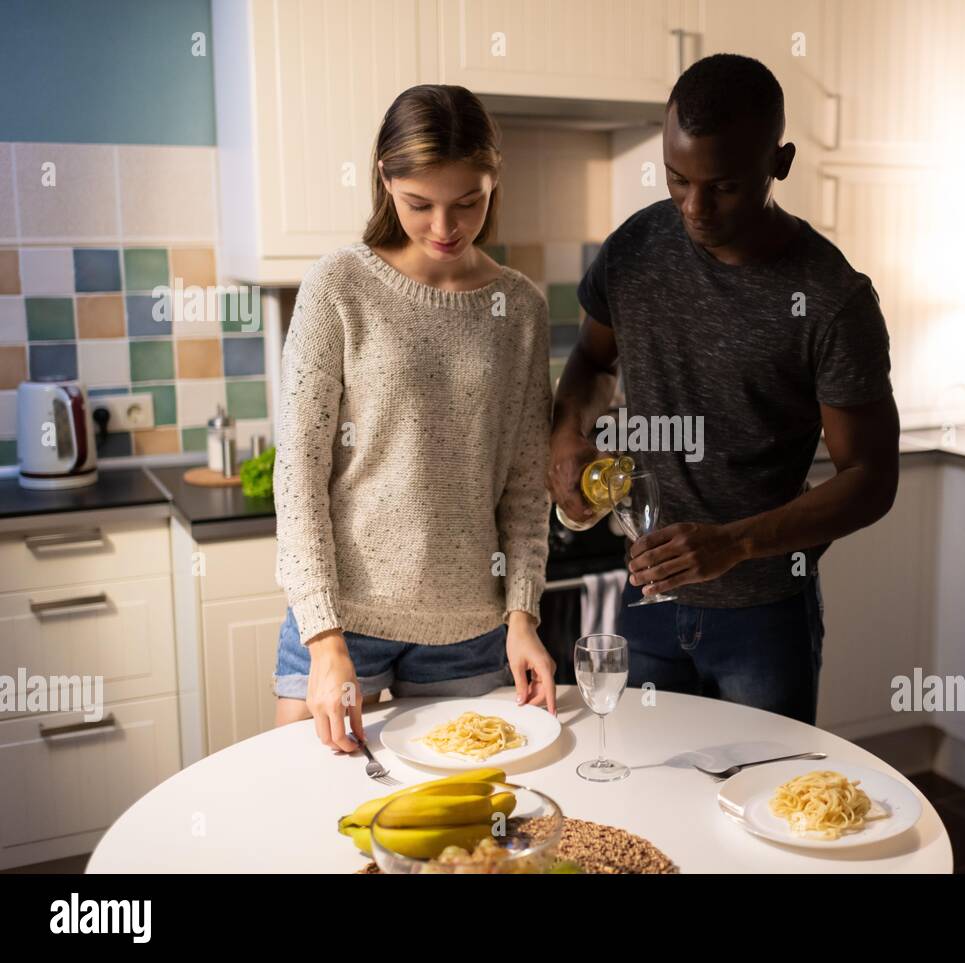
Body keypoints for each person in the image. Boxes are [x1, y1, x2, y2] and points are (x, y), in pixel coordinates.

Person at [548, 54, 899, 726]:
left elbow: (873, 478)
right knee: (645, 795)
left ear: (781, 161)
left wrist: (733, 544)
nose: (695, 208)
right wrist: (569, 434)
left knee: (762, 803)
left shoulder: (830, 298)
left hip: (765, 615)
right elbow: (593, 364)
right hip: (647, 597)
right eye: (677, 179)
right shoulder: (637, 248)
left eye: (725, 186)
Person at [273, 84, 557, 754]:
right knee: (317, 824)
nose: (444, 227)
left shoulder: (519, 307)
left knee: (469, 830)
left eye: (468, 201)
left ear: (494, 181)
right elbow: (299, 475)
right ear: (384, 179)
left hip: (472, 629)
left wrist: (522, 616)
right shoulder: (339, 285)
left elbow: (525, 483)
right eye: (418, 203)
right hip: (344, 618)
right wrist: (322, 636)